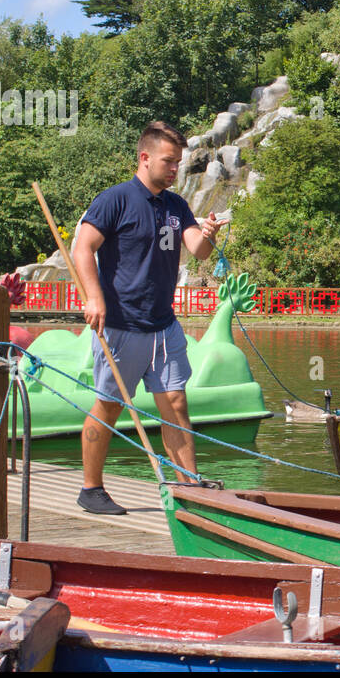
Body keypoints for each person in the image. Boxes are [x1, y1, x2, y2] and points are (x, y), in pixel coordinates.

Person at [72, 120, 227, 514]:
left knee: (176, 402)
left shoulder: (176, 205)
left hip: (164, 325)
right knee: (109, 405)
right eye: (168, 161)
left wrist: (208, 232)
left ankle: (191, 490)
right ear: (145, 158)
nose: (175, 169)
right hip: (121, 325)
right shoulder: (116, 199)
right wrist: (94, 298)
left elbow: (199, 250)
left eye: (178, 162)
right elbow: (82, 248)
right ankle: (91, 489)